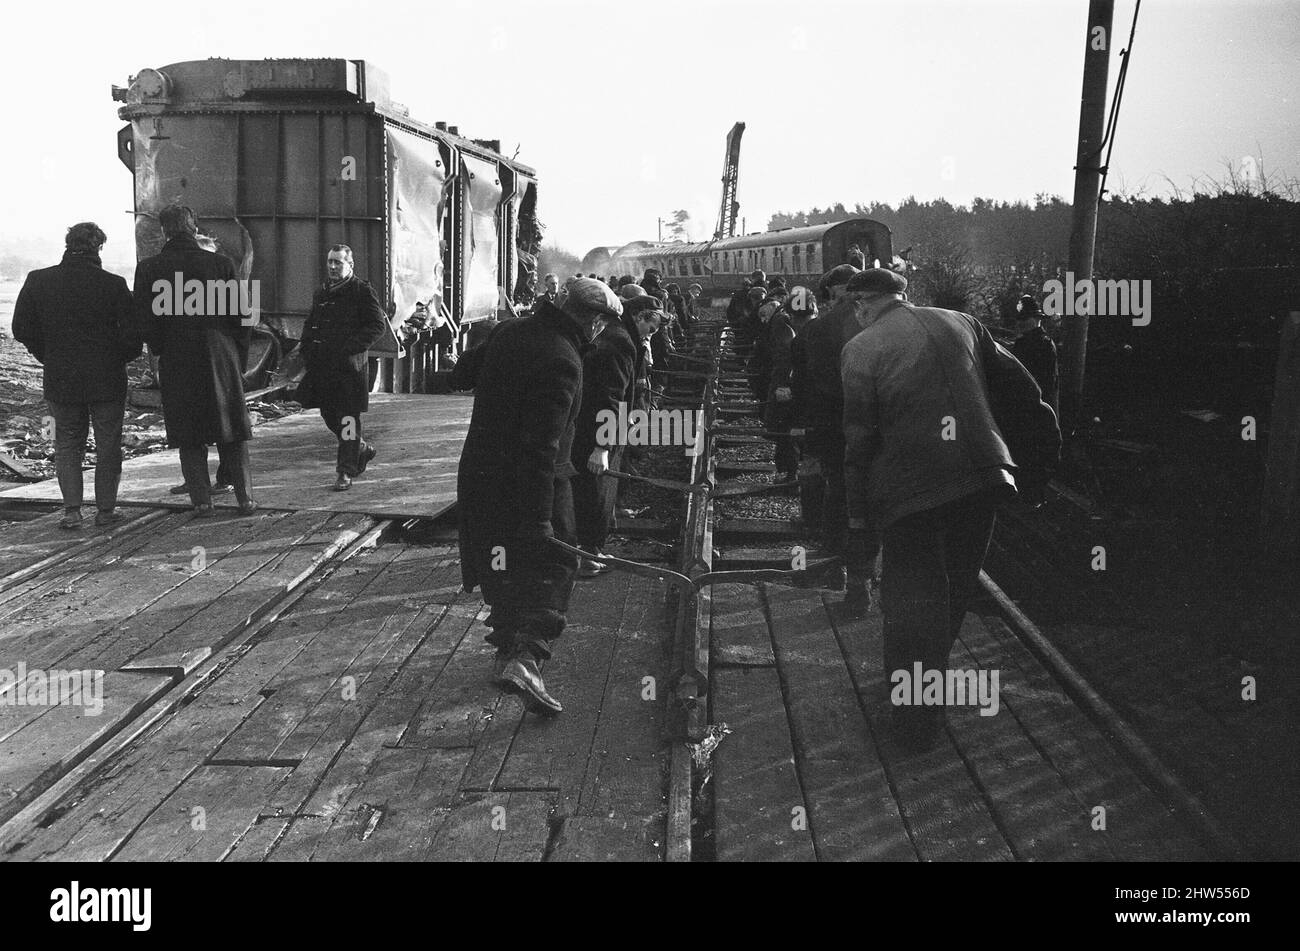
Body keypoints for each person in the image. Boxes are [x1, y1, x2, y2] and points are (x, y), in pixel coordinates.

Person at [840, 270, 1059, 749]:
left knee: (913, 606)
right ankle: (921, 698)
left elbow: (859, 440)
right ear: (903, 296)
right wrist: (1036, 469)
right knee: (954, 593)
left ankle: (914, 728)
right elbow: (1028, 396)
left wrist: (859, 519)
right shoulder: (962, 322)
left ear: (862, 305)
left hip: (910, 493)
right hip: (982, 481)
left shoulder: (860, 348)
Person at [450, 277, 624, 714]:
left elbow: (462, 372)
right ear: (594, 322)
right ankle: (527, 659)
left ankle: (505, 649)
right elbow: (541, 447)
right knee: (557, 562)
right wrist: (540, 519)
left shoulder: (512, 331)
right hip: (534, 481)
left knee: (499, 557)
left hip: (480, 475)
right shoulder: (564, 360)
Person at [12, 222, 141, 529]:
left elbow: (21, 329)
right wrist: (114, 358)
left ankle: (72, 512)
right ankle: (106, 511)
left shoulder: (38, 280)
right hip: (107, 379)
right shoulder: (114, 284)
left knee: (67, 444)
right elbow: (135, 339)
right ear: (98, 248)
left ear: (67, 245)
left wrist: (47, 355)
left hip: (61, 378)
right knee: (108, 444)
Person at [134, 204, 256, 516]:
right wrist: (235, 355)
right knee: (231, 430)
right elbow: (244, 317)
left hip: (177, 358)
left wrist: (162, 348)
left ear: (164, 231)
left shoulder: (149, 269)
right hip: (220, 357)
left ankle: (202, 501)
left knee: (189, 433)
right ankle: (246, 499)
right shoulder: (220, 264)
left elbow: (144, 322)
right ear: (194, 227)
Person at [571, 302, 662, 576]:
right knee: (593, 494)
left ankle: (592, 551)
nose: (649, 335)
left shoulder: (616, 335)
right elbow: (609, 397)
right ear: (638, 317)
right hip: (596, 432)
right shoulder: (622, 342)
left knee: (596, 494)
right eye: (650, 328)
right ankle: (586, 556)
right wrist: (602, 446)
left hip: (595, 428)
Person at [295, 246, 388, 491]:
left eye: (338, 262)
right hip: (323, 367)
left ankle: (345, 471)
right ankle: (361, 448)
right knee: (329, 415)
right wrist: (306, 347)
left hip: (348, 370)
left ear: (350, 264)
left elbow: (377, 326)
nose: (333, 267)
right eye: (330, 262)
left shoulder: (361, 290)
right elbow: (311, 322)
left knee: (348, 419)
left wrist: (349, 348)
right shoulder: (323, 291)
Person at [801, 263, 864, 593]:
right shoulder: (876, 322)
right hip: (872, 423)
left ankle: (835, 566)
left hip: (833, 425)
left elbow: (813, 383)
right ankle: (862, 576)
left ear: (835, 292)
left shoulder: (818, 328)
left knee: (838, 492)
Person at [764, 286, 816, 484]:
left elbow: (787, 360)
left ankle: (792, 477)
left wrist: (783, 385)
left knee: (789, 432)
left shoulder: (797, 337)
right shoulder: (821, 328)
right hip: (817, 396)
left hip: (799, 394)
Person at [1011, 294, 1058, 413]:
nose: (1020, 322)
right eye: (1020, 319)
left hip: (1037, 406)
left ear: (1036, 319)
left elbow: (1046, 384)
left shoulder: (1044, 344)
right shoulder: (1022, 343)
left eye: (1025, 318)